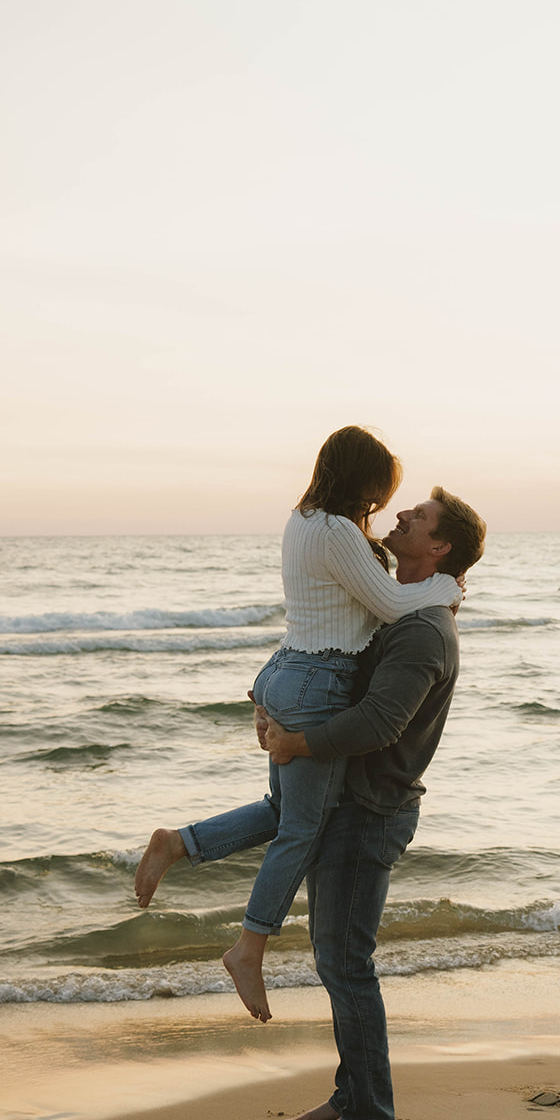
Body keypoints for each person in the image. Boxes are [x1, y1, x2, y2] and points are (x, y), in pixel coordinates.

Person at [134, 486, 487, 1120]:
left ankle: (370, 1115)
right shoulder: (392, 607)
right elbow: (330, 664)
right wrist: (281, 709)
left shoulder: (421, 630)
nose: (401, 516)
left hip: (370, 812)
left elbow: (378, 721)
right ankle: (350, 1095)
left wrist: (297, 741)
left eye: (418, 518)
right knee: (335, 958)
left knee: (346, 962)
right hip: (348, 801)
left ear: (437, 548)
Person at [137, 427, 462, 1025]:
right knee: (301, 831)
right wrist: (448, 588)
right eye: (381, 491)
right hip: (318, 679)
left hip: (291, 666)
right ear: (362, 479)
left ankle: (181, 843)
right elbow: (391, 606)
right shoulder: (339, 531)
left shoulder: (304, 520)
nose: (385, 506)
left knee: (285, 811)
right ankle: (249, 947)